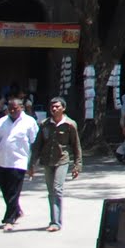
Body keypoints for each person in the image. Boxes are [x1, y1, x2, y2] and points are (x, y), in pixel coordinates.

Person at [28, 97, 81, 231]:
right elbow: (37, 145)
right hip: (47, 161)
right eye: (52, 106)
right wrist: (31, 164)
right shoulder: (44, 124)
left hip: (62, 160)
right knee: (51, 191)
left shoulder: (70, 125)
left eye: (57, 106)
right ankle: (54, 219)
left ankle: (56, 222)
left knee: (57, 189)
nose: (54, 109)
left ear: (63, 108)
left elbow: (76, 146)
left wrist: (77, 165)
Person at [0, 94, 39, 230]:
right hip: (2, 160)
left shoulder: (29, 122)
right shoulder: (1, 122)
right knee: (5, 190)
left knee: (14, 190)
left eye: (15, 109)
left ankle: (9, 219)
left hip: (19, 161)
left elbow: (34, 142)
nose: (12, 111)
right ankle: (17, 210)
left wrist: (32, 163)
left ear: (21, 108)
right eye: (10, 109)